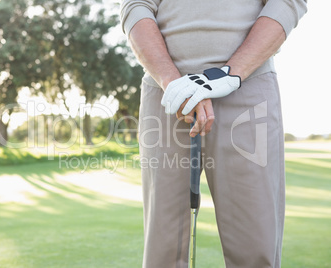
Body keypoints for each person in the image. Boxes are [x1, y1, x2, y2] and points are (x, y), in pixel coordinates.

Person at [120, 0, 307, 267]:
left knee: (254, 247)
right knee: (163, 251)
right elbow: (136, 6)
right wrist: (171, 80)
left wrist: (230, 73)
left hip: (247, 88)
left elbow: (286, 3)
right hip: (166, 92)